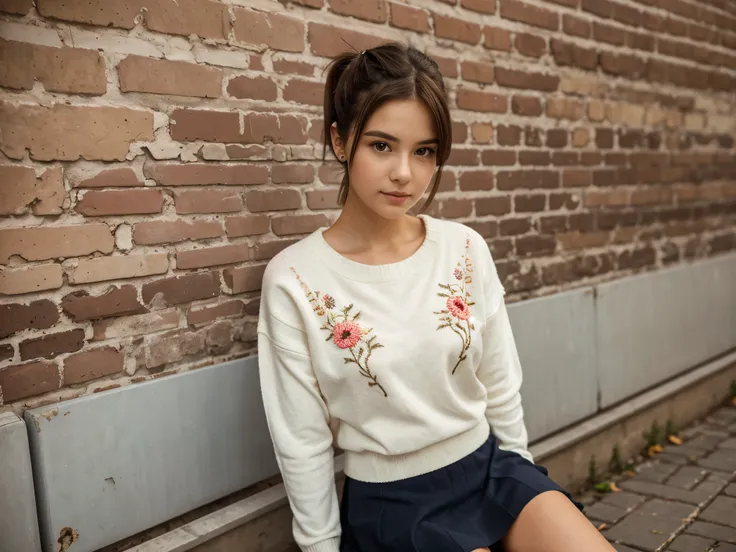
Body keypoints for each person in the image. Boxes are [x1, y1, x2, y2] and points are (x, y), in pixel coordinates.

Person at [257, 42, 615, 552]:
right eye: (382, 145)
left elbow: (500, 380)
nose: (405, 172)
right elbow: (303, 442)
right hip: (395, 505)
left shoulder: (464, 248)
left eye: (424, 151)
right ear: (340, 141)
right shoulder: (295, 278)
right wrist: (321, 547)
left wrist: (527, 486)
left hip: (492, 470)